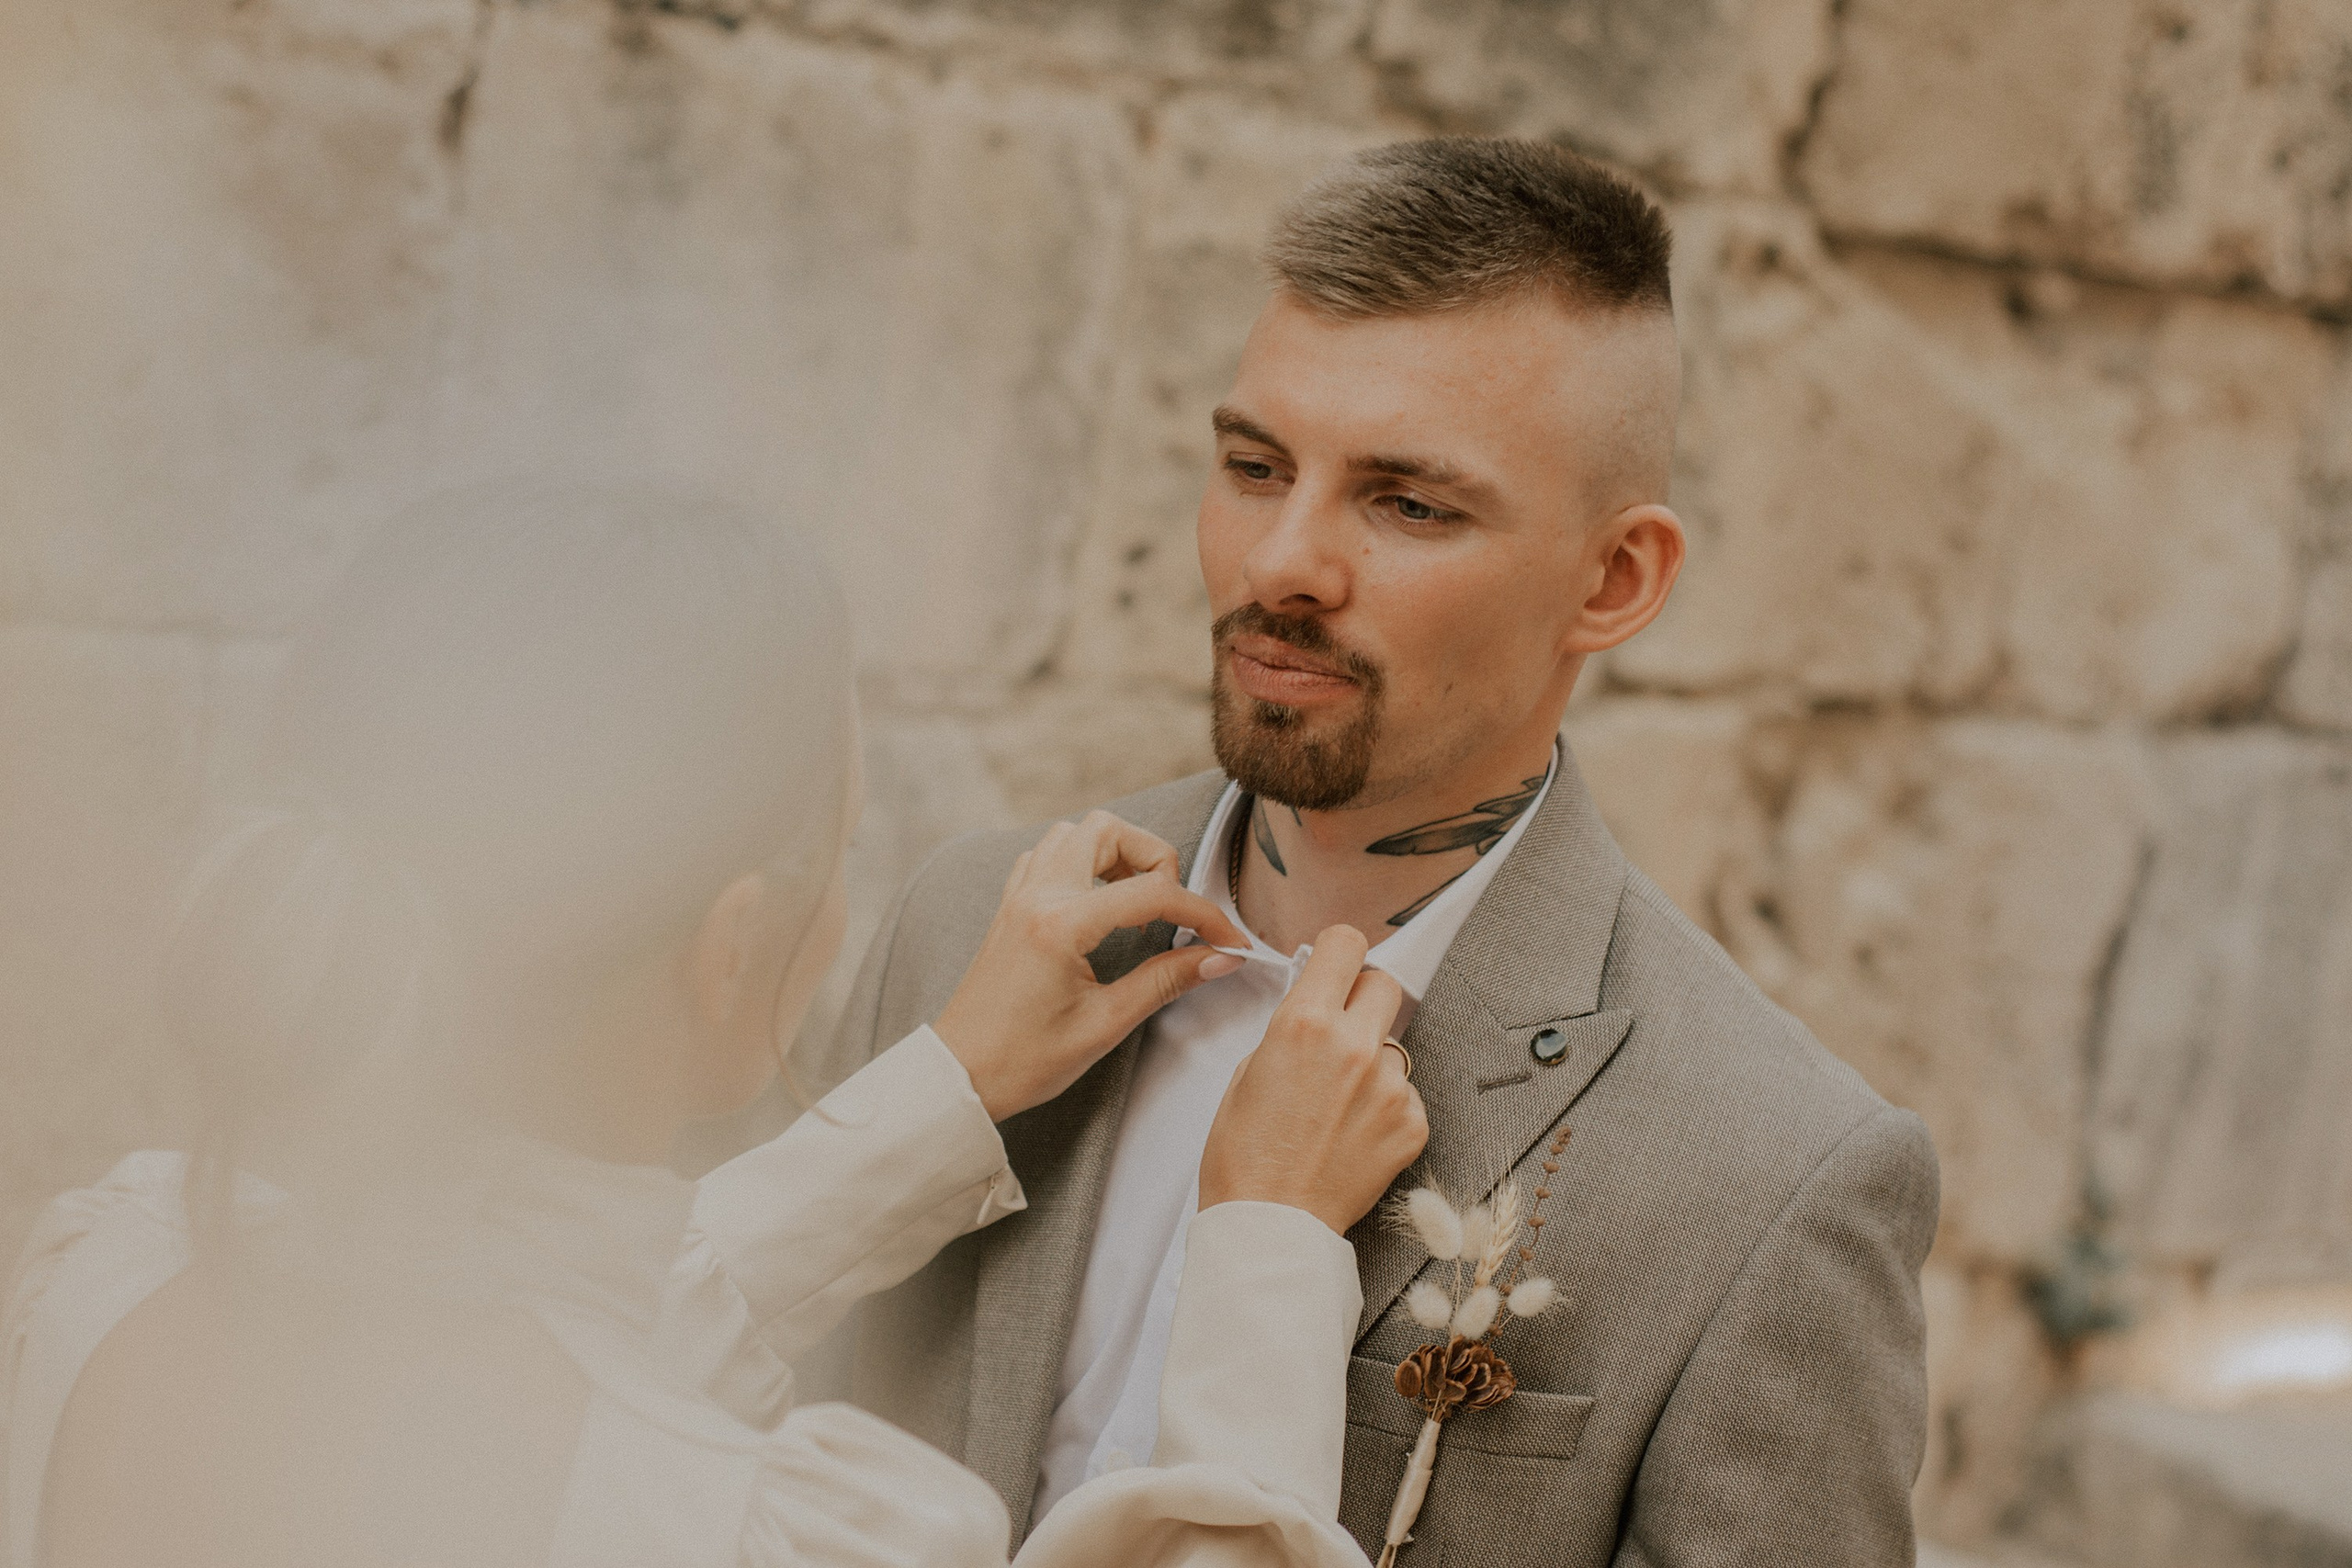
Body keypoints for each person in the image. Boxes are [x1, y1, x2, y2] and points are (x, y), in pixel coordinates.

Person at [742, 138, 1942, 1565]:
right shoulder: (968, 925)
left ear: (1613, 580)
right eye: (1255, 466)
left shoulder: (1769, 1175)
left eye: (1408, 503)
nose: (1279, 564)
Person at [0, 483, 1425, 1568]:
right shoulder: (777, 1534)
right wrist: (1270, 1252)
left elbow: (546, 1314)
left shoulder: (101, 1279)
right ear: (732, 948)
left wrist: (951, 1091)